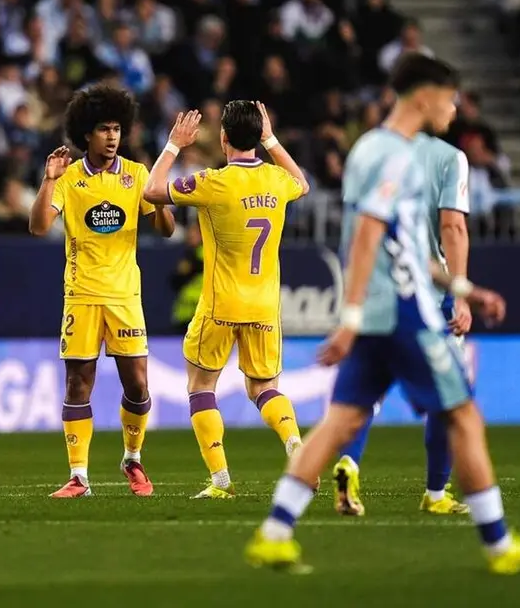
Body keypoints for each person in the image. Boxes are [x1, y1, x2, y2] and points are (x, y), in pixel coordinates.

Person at [245, 54, 520, 575]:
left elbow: (402, 246)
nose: (455, 107)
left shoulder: (369, 148)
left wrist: (465, 288)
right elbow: (369, 234)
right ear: (424, 96)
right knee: (462, 415)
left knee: (340, 422)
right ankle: (500, 545)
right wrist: (350, 318)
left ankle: (275, 533)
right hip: (399, 313)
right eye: (450, 96)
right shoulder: (399, 158)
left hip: (379, 311)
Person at [143, 101, 310, 498]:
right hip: (265, 306)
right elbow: (302, 182)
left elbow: (152, 191)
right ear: (259, 137)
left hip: (221, 304)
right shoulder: (276, 181)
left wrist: (173, 145)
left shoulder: (212, 182)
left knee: (202, 386)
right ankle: (295, 444)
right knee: (263, 387)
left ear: (222, 138)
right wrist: (270, 137)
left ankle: (220, 480)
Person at [28, 84, 176, 498]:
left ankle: (132, 458)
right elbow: (38, 226)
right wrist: (47, 181)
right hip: (81, 294)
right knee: (79, 383)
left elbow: (166, 231)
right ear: (85, 135)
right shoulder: (70, 178)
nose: (112, 137)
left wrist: (159, 202)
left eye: (116, 128)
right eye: (102, 129)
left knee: (139, 386)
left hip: (125, 296)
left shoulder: (138, 175)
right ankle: (79, 476)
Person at [332, 111, 474, 517]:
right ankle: (436, 493)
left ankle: (346, 464)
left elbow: (360, 227)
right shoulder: (450, 157)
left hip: (378, 289)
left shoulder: (375, 152)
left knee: (364, 394)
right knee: (450, 401)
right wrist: (461, 293)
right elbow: (453, 227)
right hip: (428, 295)